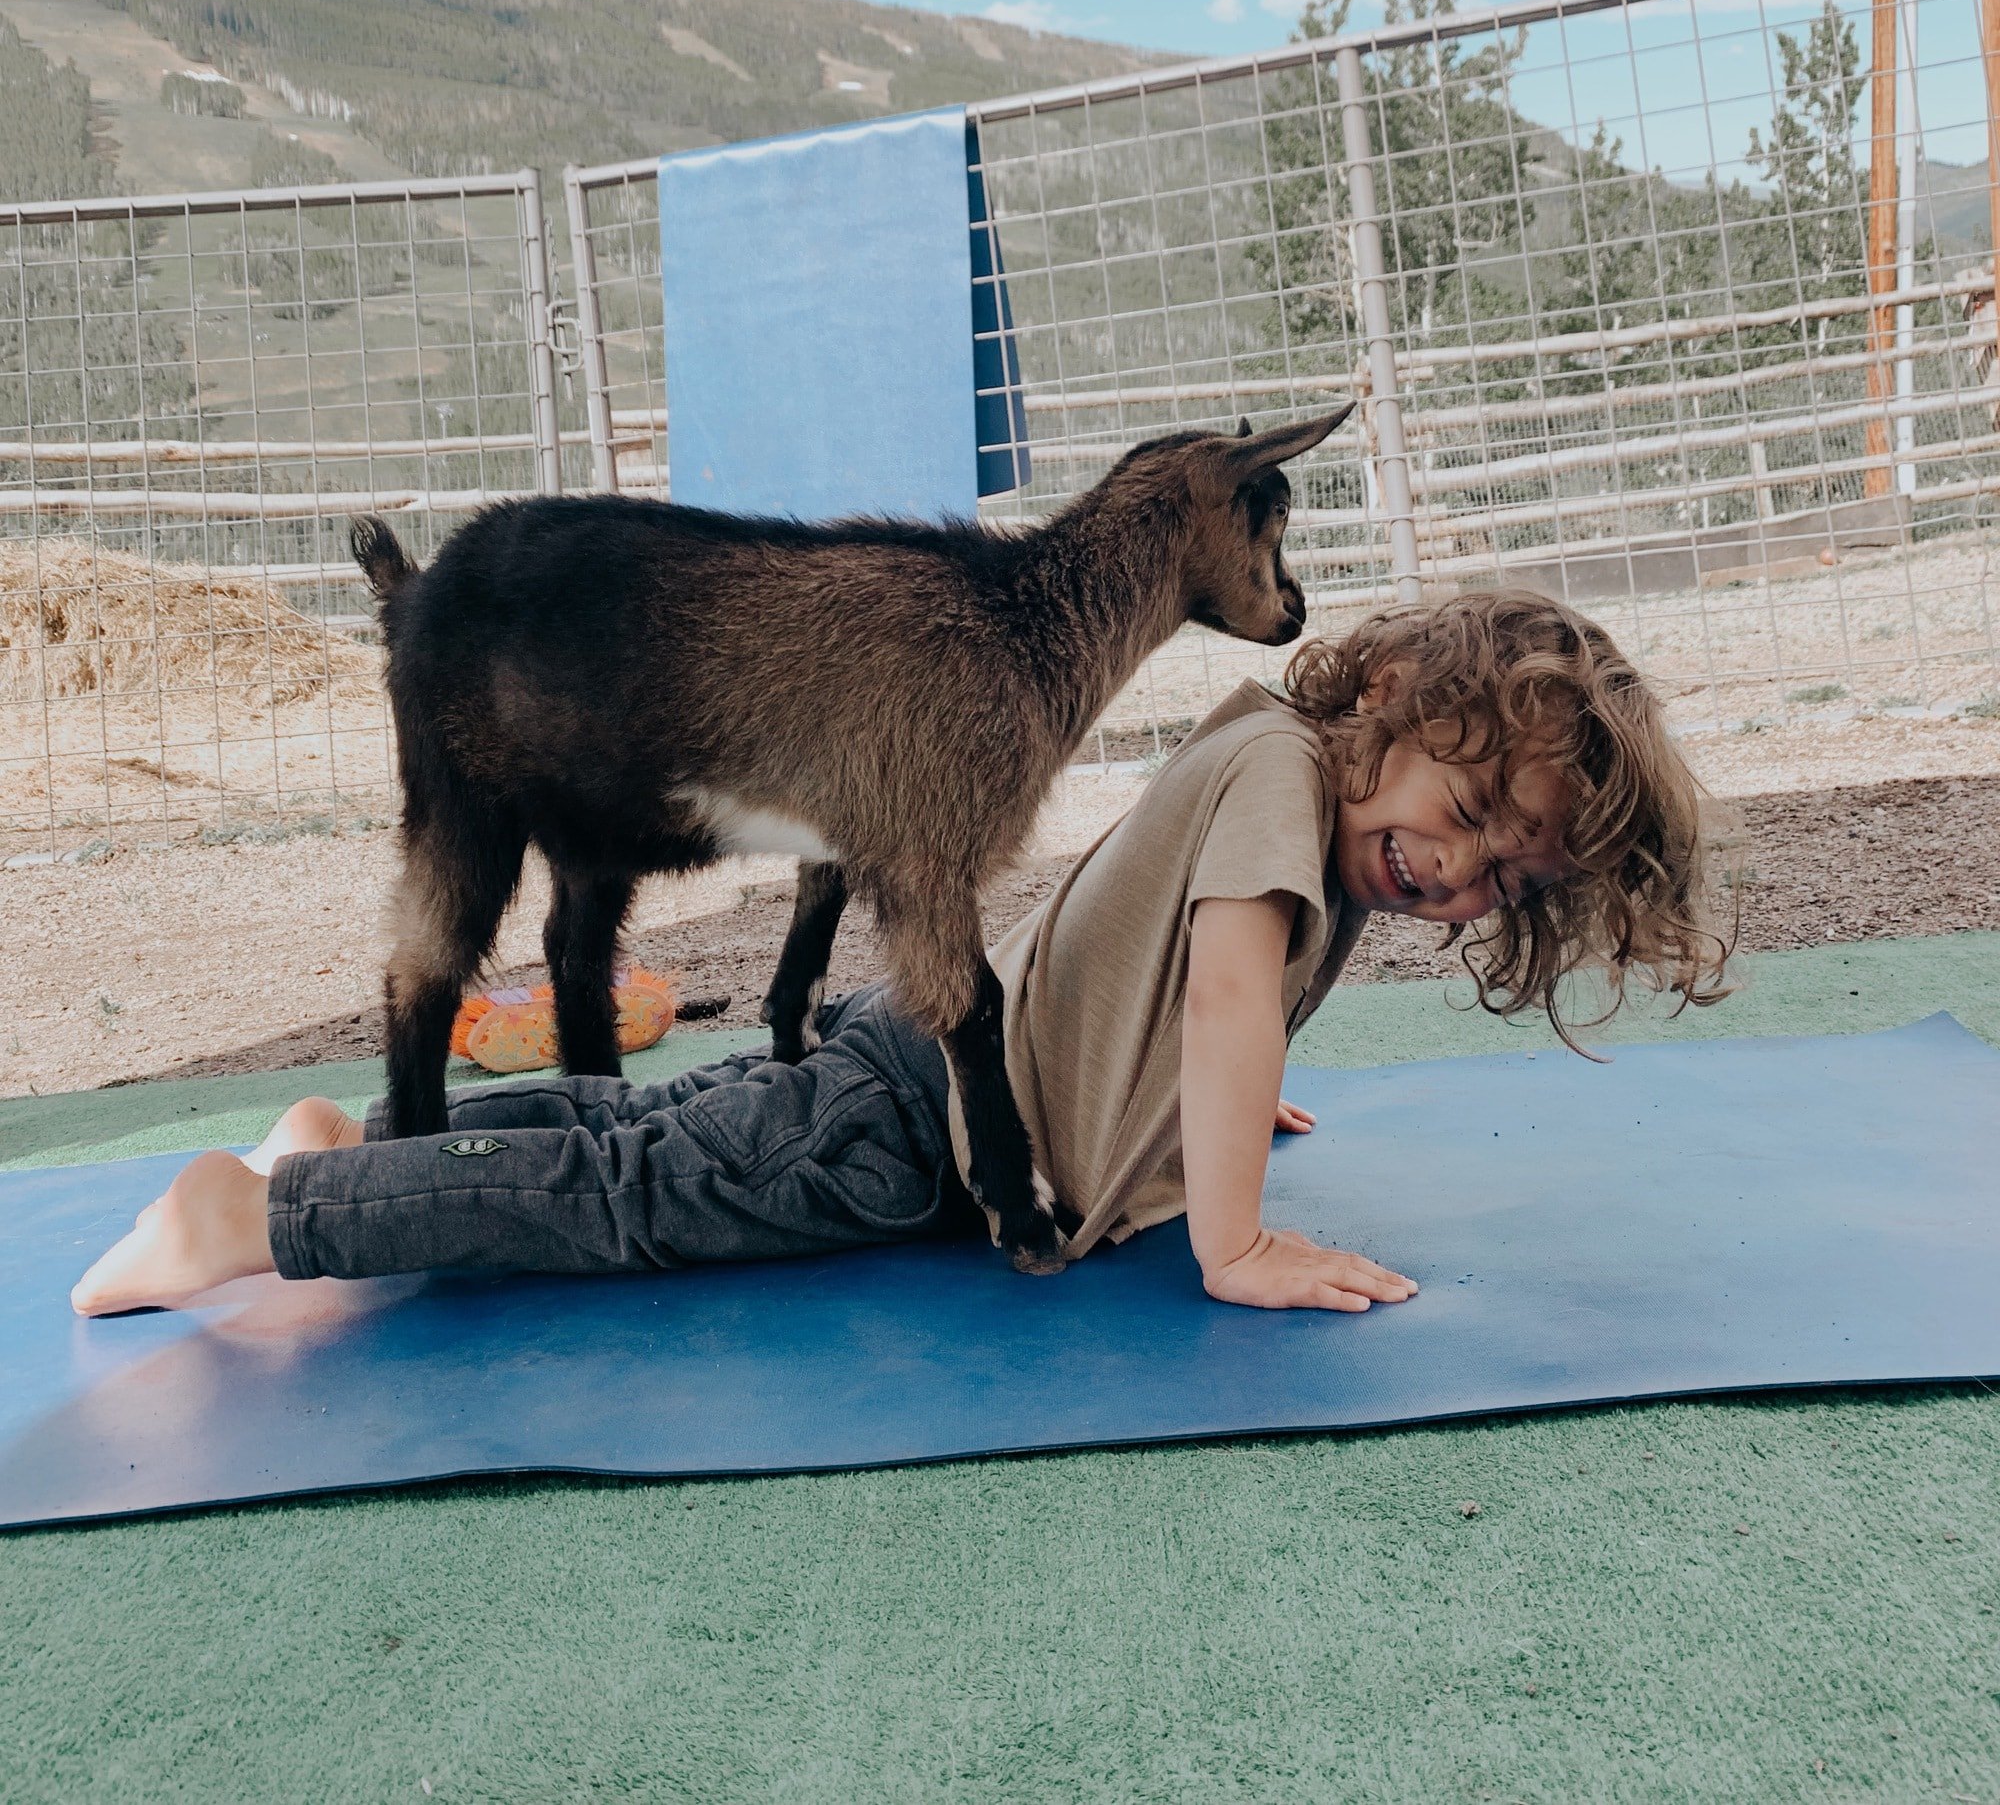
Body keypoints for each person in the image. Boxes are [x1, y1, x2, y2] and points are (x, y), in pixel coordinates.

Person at [71, 590, 1719, 1321]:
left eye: (1508, 877)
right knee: (642, 1202)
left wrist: (1201, 1103)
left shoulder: (1285, 767)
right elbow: (1223, 986)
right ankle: (264, 1218)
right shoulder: (1293, 794)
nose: (1458, 874)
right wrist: (1233, 1239)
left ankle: (360, 1151)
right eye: (1465, 813)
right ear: (1398, 709)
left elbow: (1190, 992)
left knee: (652, 1132)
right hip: (912, 1132)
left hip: (913, 1066)